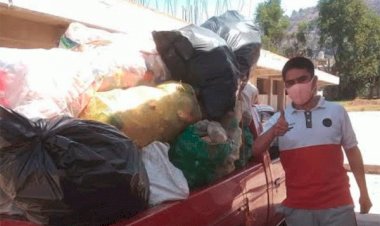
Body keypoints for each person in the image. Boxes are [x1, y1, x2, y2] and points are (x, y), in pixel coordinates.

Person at [253, 56, 372, 226]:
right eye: (291, 82)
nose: (297, 86)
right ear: (286, 87)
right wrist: (273, 132)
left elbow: (352, 151)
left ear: (314, 81)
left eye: (302, 79)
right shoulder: (280, 119)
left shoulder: (336, 112)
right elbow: (256, 150)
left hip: (337, 205)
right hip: (298, 209)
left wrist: (364, 193)